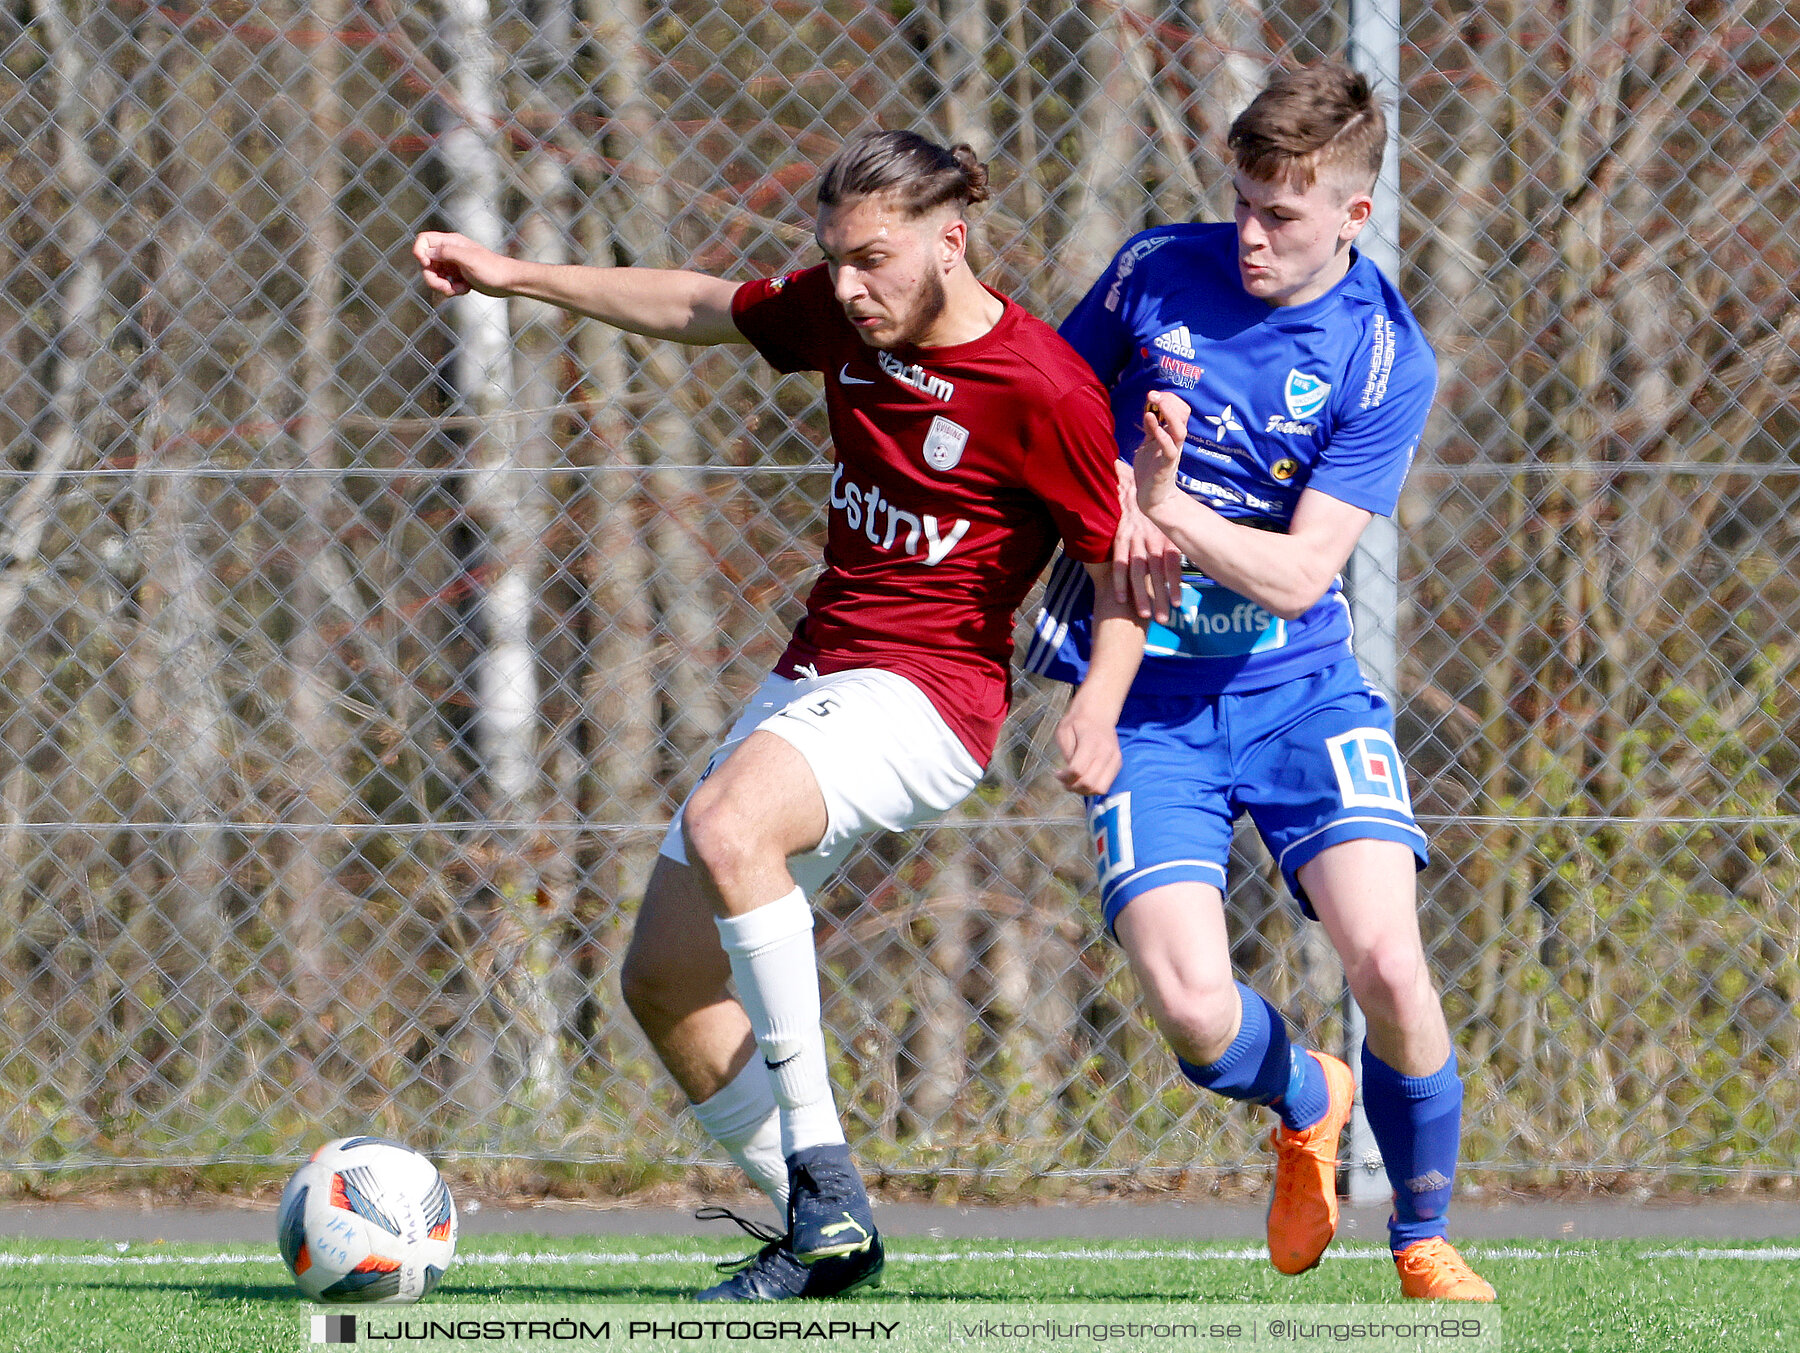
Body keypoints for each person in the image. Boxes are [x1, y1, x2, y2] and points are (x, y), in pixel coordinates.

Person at [415, 130, 1143, 1302]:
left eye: (875, 259)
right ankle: (827, 1239)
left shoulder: (1044, 387)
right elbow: (700, 303)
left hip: (930, 696)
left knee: (728, 826)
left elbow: (1119, 574)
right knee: (662, 981)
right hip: (818, 673)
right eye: (834, 261)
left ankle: (822, 1176)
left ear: (952, 240)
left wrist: (1099, 706)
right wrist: (515, 274)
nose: (849, 288)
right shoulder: (841, 319)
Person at [1027, 61, 1495, 1301]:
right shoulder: (1151, 270)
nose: (1249, 234)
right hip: (1151, 702)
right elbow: (1052, 411)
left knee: (1390, 964)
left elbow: (1298, 577)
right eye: (1240, 201)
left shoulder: (1386, 358)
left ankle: (1421, 1239)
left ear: (1354, 216)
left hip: (1300, 694)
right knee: (1191, 1007)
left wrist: (1169, 508)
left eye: (1280, 216)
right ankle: (1311, 1095)